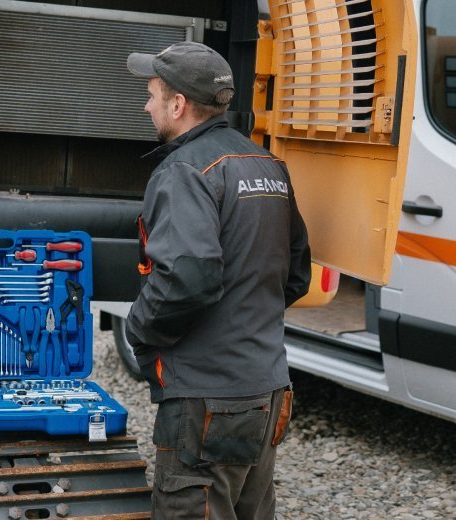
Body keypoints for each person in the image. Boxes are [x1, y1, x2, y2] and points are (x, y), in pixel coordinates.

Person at [125, 42, 311, 519]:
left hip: (208, 398)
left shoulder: (183, 171)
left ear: (178, 104)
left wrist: (138, 330)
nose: (146, 107)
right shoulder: (268, 164)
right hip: (267, 391)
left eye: (151, 95)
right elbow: (296, 275)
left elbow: (187, 277)